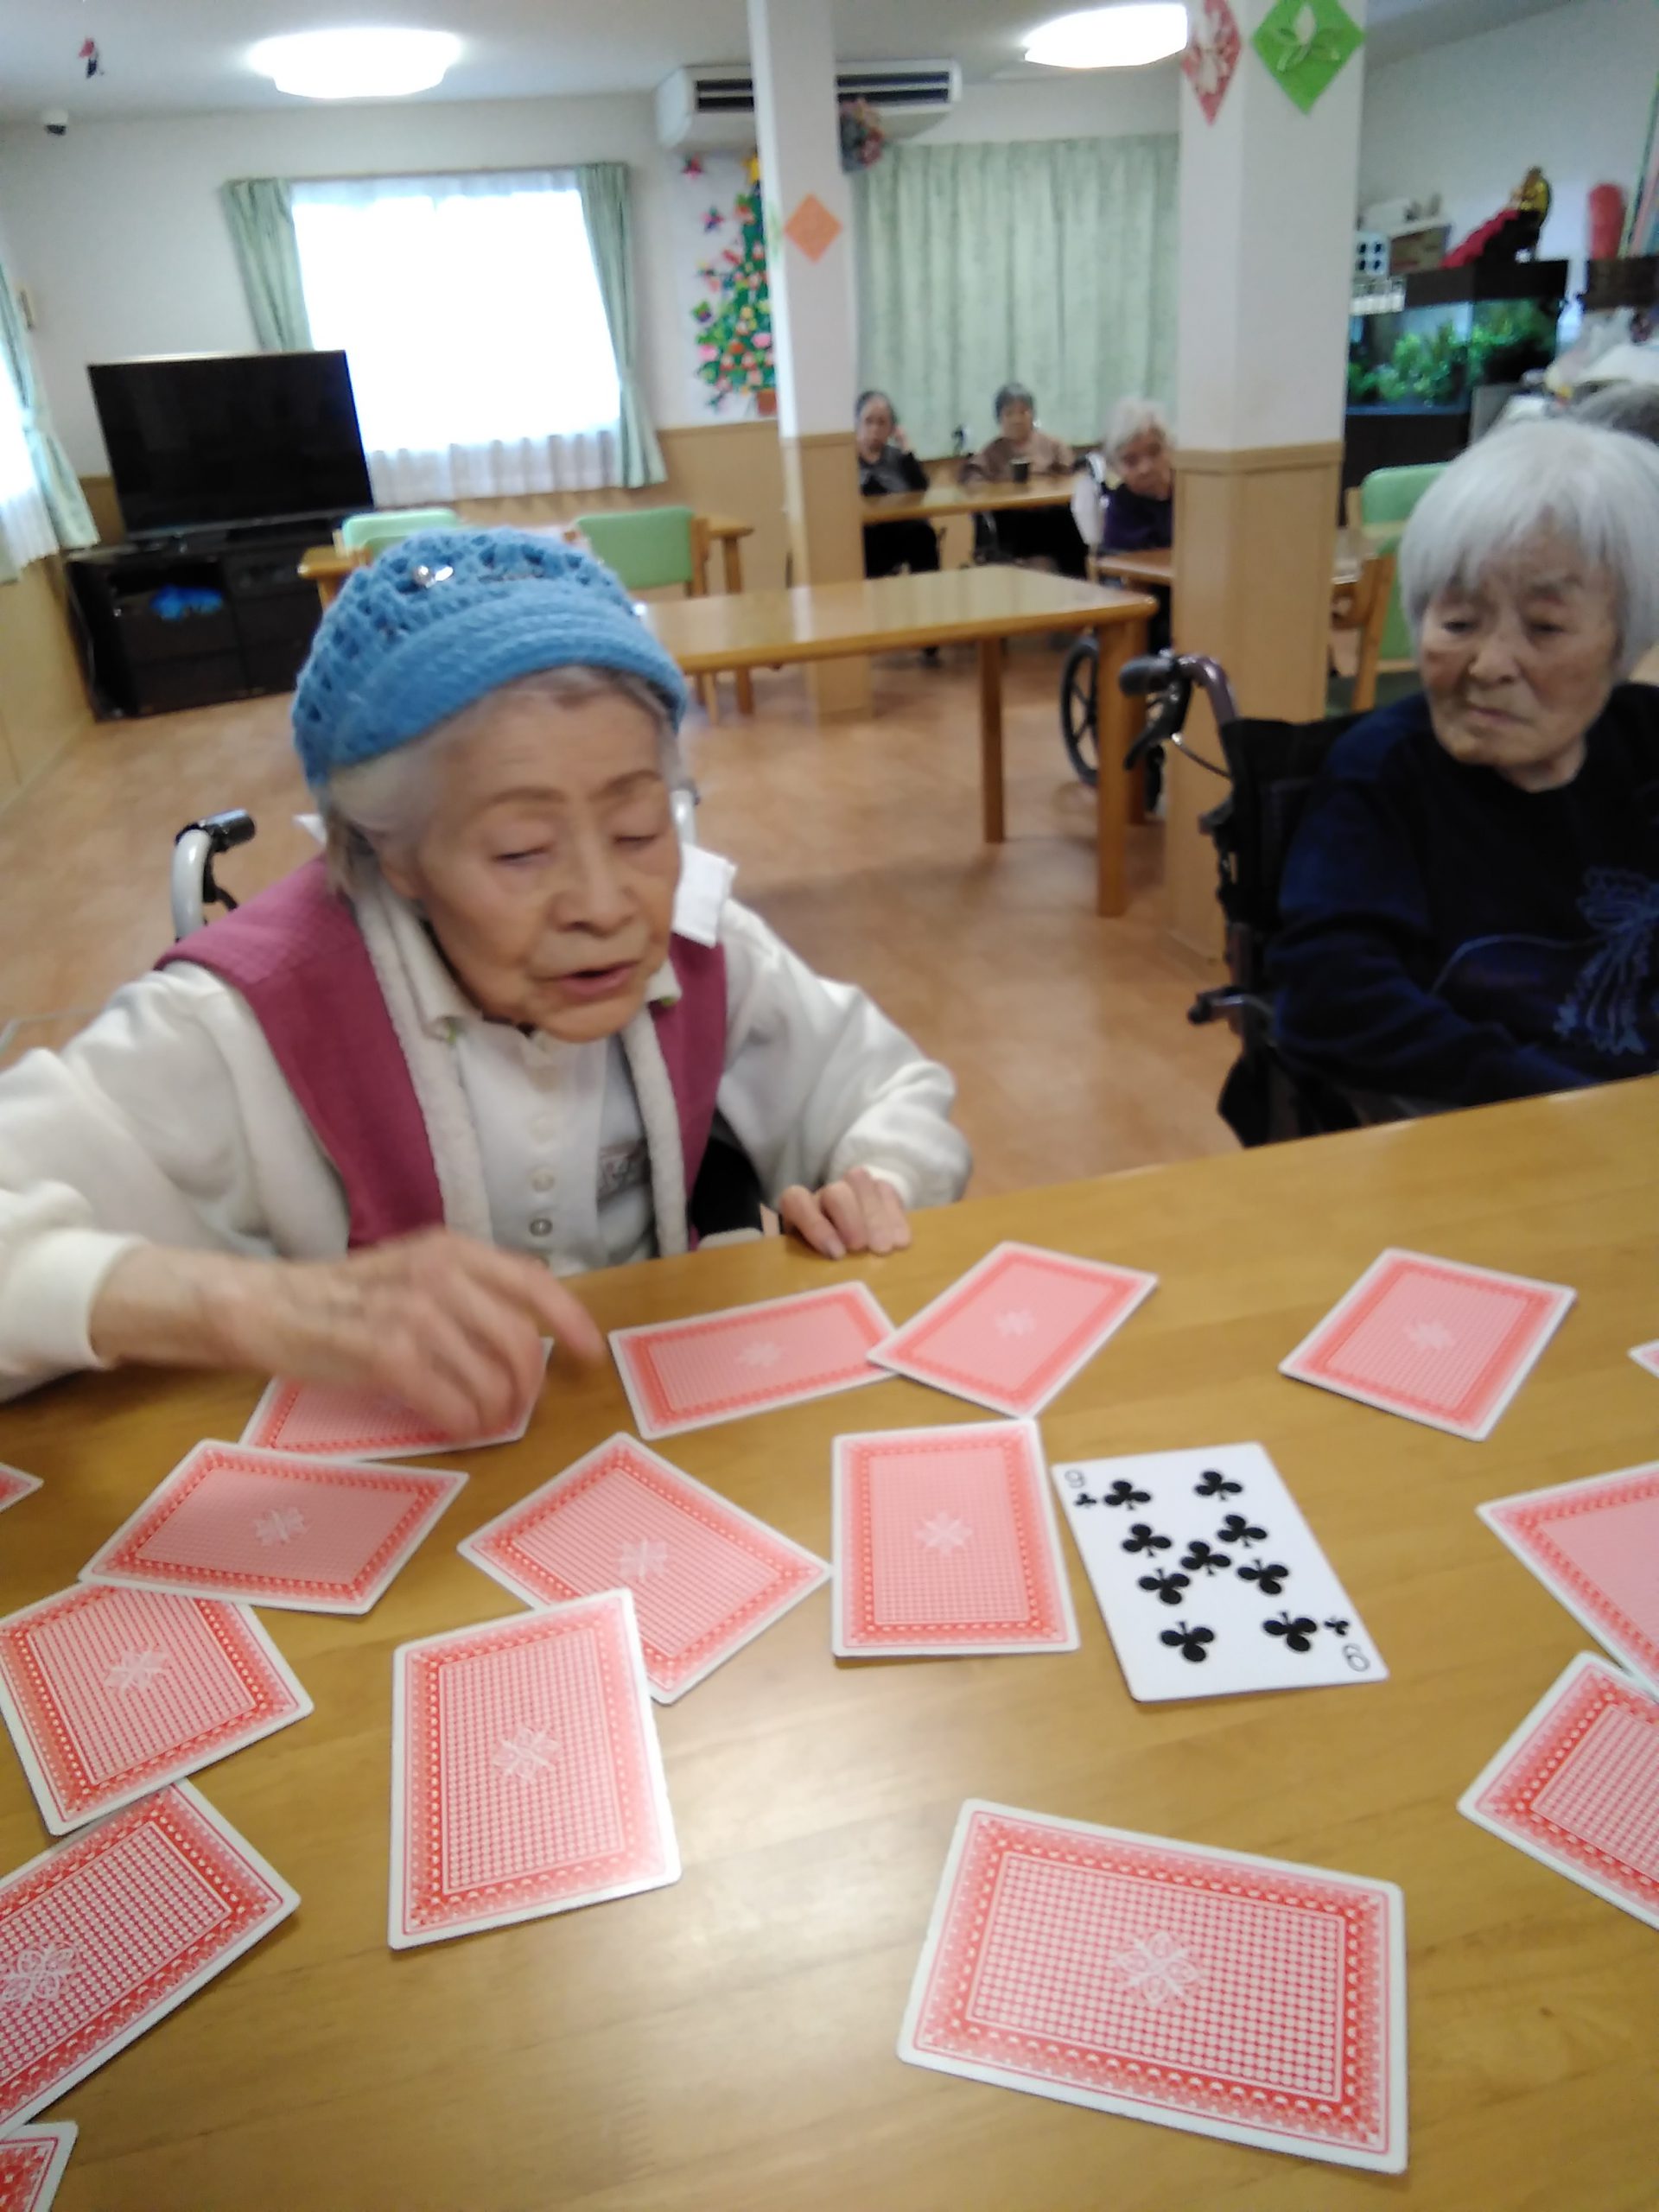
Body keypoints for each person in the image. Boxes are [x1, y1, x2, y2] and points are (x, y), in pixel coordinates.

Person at [0, 530, 971, 1425]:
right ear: (391, 853)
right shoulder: (245, 1018)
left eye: (640, 829)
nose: (605, 903)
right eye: (519, 851)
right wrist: (250, 1305)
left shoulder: (700, 945)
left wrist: (875, 1181)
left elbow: (887, 1089)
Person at [1271, 419, 1659, 1110]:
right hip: (1489, 1129)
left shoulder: (1647, 745)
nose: (1489, 665)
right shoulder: (1383, 774)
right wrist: (1566, 1110)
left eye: (1545, 628)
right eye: (1457, 623)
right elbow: (1330, 996)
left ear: (1624, 642)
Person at [960, 382, 1085, 576]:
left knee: (1068, 522)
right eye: (1009, 414)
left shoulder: (1052, 444)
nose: (1017, 420)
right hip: (1012, 519)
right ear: (999, 419)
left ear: (1032, 415)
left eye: (1023, 412)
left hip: (1051, 514)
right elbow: (972, 480)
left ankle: (1078, 585)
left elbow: (1074, 472)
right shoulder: (991, 452)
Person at [1071, 398, 1175, 557]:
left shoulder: (1191, 494)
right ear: (1115, 468)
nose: (1146, 468)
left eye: (1155, 452)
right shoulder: (1122, 510)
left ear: (1170, 449)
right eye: (1131, 461)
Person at [855, 388, 940, 582]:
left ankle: (931, 591)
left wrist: (906, 447)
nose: (875, 429)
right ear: (857, 424)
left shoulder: (898, 457)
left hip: (900, 528)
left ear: (892, 428)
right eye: (868, 421)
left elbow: (921, 489)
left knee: (923, 534)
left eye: (882, 422)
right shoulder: (847, 460)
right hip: (866, 533)